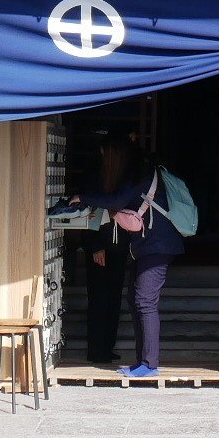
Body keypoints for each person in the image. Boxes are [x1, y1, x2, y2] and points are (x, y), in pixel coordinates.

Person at [71, 140, 185, 379]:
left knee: (144, 300)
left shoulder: (141, 177)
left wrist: (83, 196)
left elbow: (116, 201)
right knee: (136, 299)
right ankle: (142, 360)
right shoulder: (147, 174)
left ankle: (150, 363)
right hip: (150, 246)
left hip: (157, 246)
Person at [75, 135, 132, 366]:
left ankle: (106, 347)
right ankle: (97, 349)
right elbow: (88, 212)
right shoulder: (101, 176)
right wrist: (94, 245)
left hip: (115, 244)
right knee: (100, 298)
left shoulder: (113, 177)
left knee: (111, 297)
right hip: (105, 244)